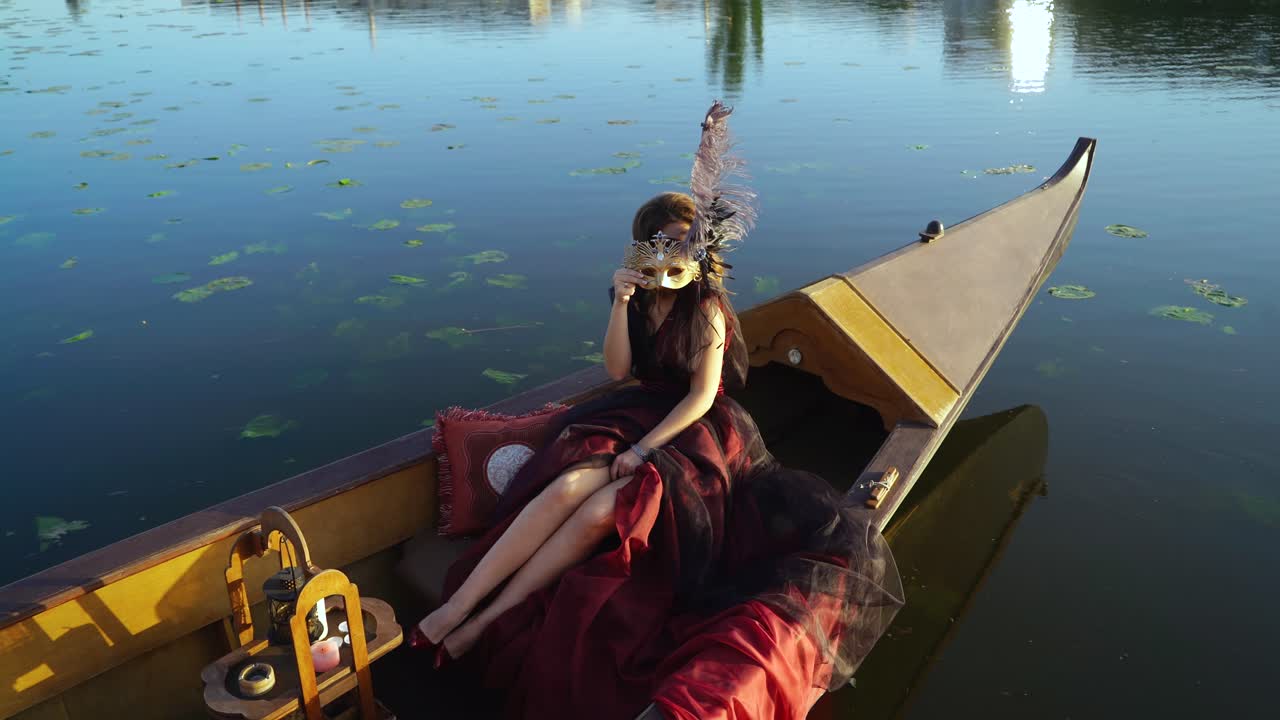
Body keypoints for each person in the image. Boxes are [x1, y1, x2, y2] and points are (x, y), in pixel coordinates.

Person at [413, 105, 902, 720]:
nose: (672, 256)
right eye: (661, 244)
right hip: (637, 409)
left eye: (683, 244)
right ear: (643, 245)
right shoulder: (641, 297)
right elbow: (618, 370)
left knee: (600, 513)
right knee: (565, 488)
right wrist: (620, 302)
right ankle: (459, 607)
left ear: (700, 249)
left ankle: (487, 622)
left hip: (695, 431)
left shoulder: (707, 307)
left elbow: (701, 396)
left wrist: (642, 452)